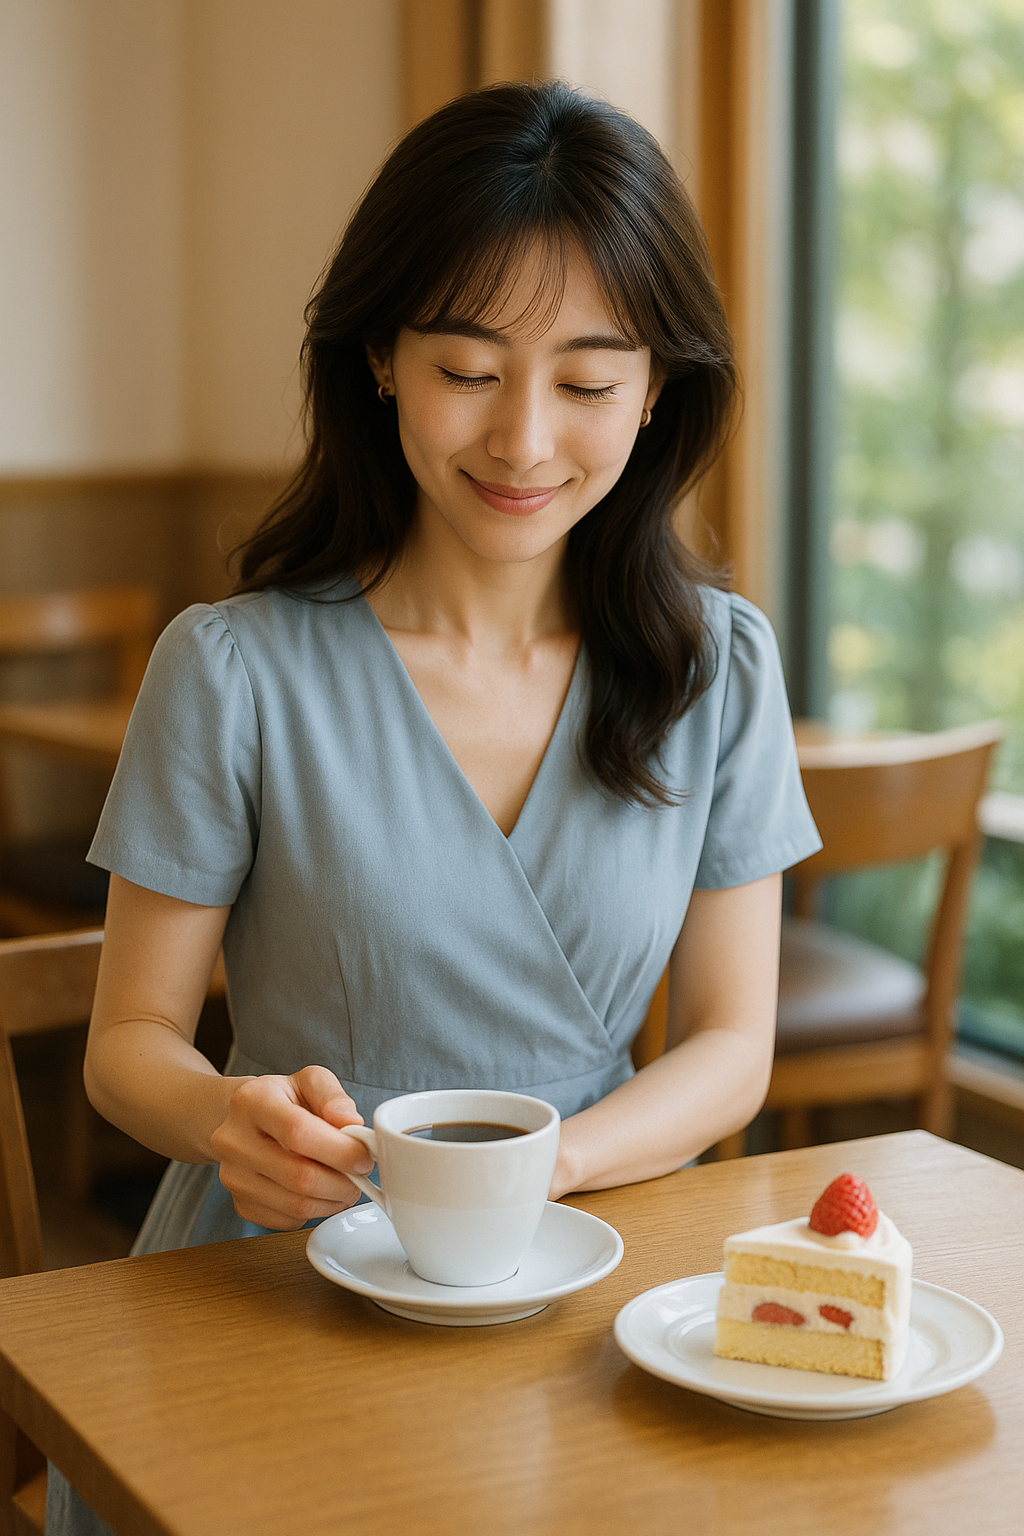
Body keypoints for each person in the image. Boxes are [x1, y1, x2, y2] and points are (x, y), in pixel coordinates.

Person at [48, 80, 819, 1534]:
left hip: (597, 1281)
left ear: (660, 391)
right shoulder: (234, 669)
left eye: (588, 382)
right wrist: (227, 1115)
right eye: (469, 366)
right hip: (275, 1279)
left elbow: (732, 1040)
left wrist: (541, 1178)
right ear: (382, 362)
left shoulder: (719, 667)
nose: (525, 440)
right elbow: (123, 1050)